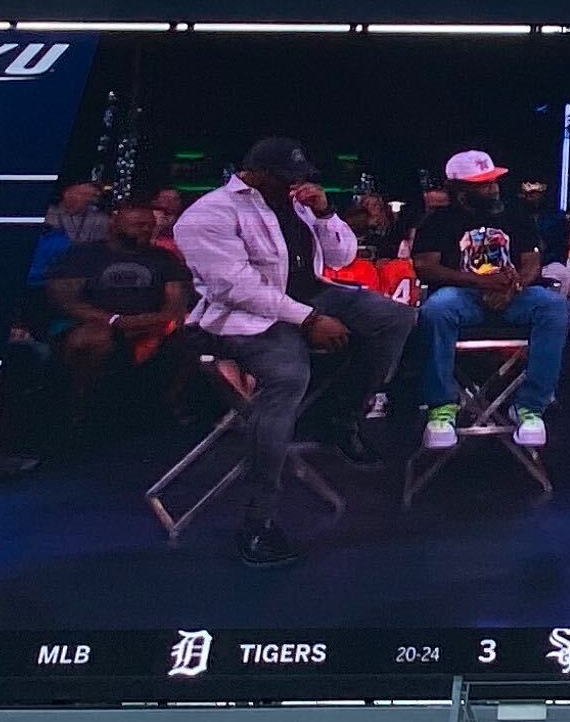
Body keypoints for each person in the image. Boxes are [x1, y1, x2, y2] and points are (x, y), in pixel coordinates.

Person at [176, 135, 419, 567]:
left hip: (312, 296)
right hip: (247, 316)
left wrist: (325, 213)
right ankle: (257, 522)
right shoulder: (209, 214)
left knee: (395, 318)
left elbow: (340, 255)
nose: (295, 185)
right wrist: (307, 320)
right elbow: (237, 287)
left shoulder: (297, 206)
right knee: (288, 378)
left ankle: (340, 418)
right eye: (286, 177)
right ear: (256, 175)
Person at [413, 149, 563, 452]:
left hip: (513, 295)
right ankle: (442, 409)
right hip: (462, 297)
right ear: (460, 190)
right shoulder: (439, 220)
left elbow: (532, 260)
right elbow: (425, 266)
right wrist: (481, 283)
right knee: (436, 308)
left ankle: (529, 408)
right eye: (483, 183)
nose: (493, 187)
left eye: (494, 180)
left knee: (554, 305)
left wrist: (513, 286)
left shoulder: (515, 214)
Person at [43, 198, 193, 429]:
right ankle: (78, 410)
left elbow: (176, 302)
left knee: (191, 336)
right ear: (115, 223)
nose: (146, 230)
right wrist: (114, 320)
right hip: (93, 322)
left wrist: (152, 325)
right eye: (138, 225)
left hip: (151, 323)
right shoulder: (84, 255)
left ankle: (171, 407)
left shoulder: (164, 258)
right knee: (91, 340)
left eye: (149, 226)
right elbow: (65, 300)